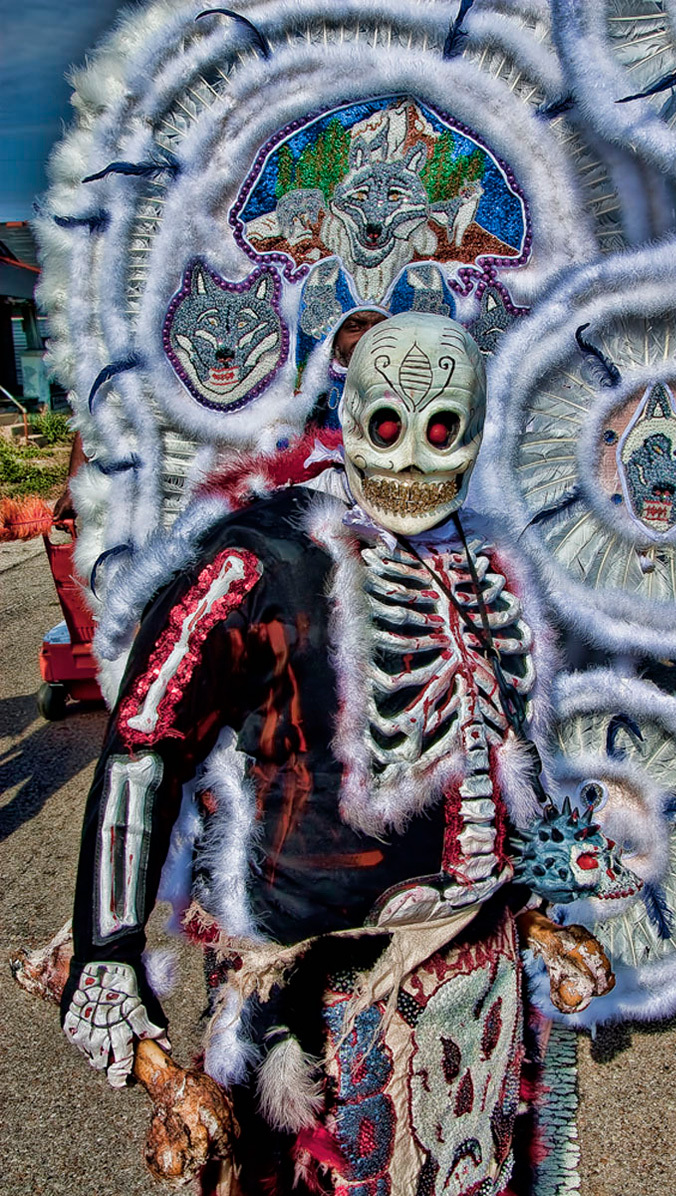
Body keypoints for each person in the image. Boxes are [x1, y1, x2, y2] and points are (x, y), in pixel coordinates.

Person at [60, 314, 621, 1194]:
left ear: (475, 434)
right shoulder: (262, 559)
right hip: (322, 1008)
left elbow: (494, 750)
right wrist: (109, 950)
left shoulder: (485, 555)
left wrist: (533, 907)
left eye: (440, 432)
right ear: (349, 416)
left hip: (477, 987)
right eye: (387, 428)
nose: (406, 465)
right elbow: (144, 744)